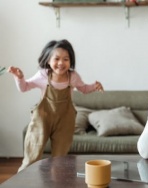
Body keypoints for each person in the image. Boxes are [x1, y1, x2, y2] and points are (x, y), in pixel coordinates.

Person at [8, 39, 104, 172]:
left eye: (66, 59)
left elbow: (83, 89)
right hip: (42, 119)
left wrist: (94, 86)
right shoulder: (42, 75)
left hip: (64, 121)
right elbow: (24, 87)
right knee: (32, 157)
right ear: (48, 60)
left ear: (71, 61)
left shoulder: (73, 77)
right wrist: (19, 78)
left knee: (59, 160)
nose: (61, 63)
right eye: (57, 58)